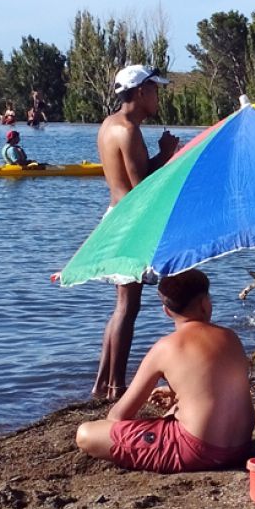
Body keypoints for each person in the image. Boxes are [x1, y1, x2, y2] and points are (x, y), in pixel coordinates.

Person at [74, 270, 253, 473]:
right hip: (241, 447)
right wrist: (178, 397)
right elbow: (218, 388)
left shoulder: (165, 347)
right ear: (205, 304)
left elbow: (118, 415)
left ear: (166, 311)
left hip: (197, 451)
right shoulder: (231, 337)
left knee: (86, 434)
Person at [92, 65, 180, 400]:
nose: (158, 97)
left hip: (116, 218)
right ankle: (116, 386)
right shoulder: (128, 130)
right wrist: (166, 155)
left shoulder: (110, 123)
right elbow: (141, 189)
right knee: (128, 307)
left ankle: (102, 383)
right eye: (155, 90)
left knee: (123, 306)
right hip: (129, 223)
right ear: (141, 92)